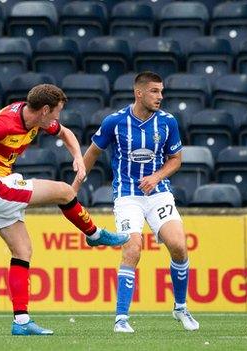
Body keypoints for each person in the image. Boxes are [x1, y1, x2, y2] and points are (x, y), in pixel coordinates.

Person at [0, 84, 130, 336]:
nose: (58, 118)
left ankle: (21, 322)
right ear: (45, 110)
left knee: (22, 251)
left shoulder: (36, 118)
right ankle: (94, 234)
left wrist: (77, 157)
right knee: (65, 192)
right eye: (57, 112)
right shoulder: (6, 123)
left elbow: (66, 134)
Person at [73, 71, 199, 333]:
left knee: (178, 245)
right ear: (138, 92)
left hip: (158, 192)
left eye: (161, 92)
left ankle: (180, 307)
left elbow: (176, 160)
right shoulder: (114, 122)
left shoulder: (168, 122)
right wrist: (75, 186)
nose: (160, 97)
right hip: (128, 195)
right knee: (133, 248)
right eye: (154, 91)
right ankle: (121, 318)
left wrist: (156, 176)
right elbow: (93, 152)